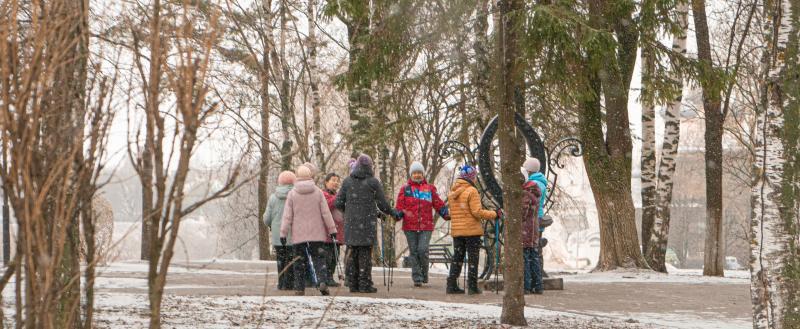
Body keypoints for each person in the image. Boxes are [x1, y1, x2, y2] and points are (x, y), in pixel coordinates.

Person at [335, 154, 403, 293]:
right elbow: (382, 204)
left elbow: (338, 202)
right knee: (365, 254)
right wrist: (392, 213)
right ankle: (364, 284)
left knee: (352, 252)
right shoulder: (373, 182)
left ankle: (353, 284)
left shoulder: (348, 181)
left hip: (351, 223)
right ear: (370, 167)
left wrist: (349, 212)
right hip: (367, 223)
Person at [280, 165, 338, 296]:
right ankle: (322, 281)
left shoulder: (292, 194)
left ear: (297, 177)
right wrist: (332, 230)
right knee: (319, 259)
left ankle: (299, 288)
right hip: (316, 234)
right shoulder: (318, 192)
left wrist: (283, 233)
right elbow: (326, 213)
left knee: (299, 261)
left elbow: (287, 216)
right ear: (310, 176)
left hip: (299, 235)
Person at [446, 165, 498, 295]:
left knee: (457, 257)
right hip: (471, 231)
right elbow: (477, 212)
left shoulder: (453, 192)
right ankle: (472, 286)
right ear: (471, 178)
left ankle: (451, 284)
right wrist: (494, 214)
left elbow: (452, 213)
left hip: (457, 231)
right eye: (474, 177)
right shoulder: (472, 191)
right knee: (473, 259)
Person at [395, 161, 448, 287]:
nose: (417, 175)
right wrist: (397, 214)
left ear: (423, 174)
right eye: (415, 173)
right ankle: (417, 278)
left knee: (422, 250)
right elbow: (400, 206)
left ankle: (424, 274)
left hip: (426, 226)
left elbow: (438, 203)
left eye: (419, 173)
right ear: (411, 174)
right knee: (414, 252)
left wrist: (445, 213)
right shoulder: (405, 189)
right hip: (410, 226)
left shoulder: (429, 189)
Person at [264, 171, 296, 290]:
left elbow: (267, 218)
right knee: (291, 259)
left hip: (278, 235)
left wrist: (271, 224)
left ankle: (281, 283)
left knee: (280, 260)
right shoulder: (296, 196)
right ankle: (290, 284)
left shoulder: (273, 197)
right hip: (293, 233)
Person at [521, 158, 544, 294]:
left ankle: (527, 286)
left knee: (526, 258)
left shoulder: (526, 192)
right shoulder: (535, 189)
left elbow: (522, 213)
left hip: (526, 229)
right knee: (534, 256)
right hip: (533, 227)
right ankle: (538, 285)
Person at [321, 173, 345, 287]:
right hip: (326, 231)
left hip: (338, 230)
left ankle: (330, 277)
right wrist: (339, 197)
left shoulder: (337, 195)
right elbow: (328, 205)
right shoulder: (323, 194)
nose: (336, 183)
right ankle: (326, 278)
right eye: (333, 180)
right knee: (327, 256)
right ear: (326, 182)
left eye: (337, 181)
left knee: (335, 256)